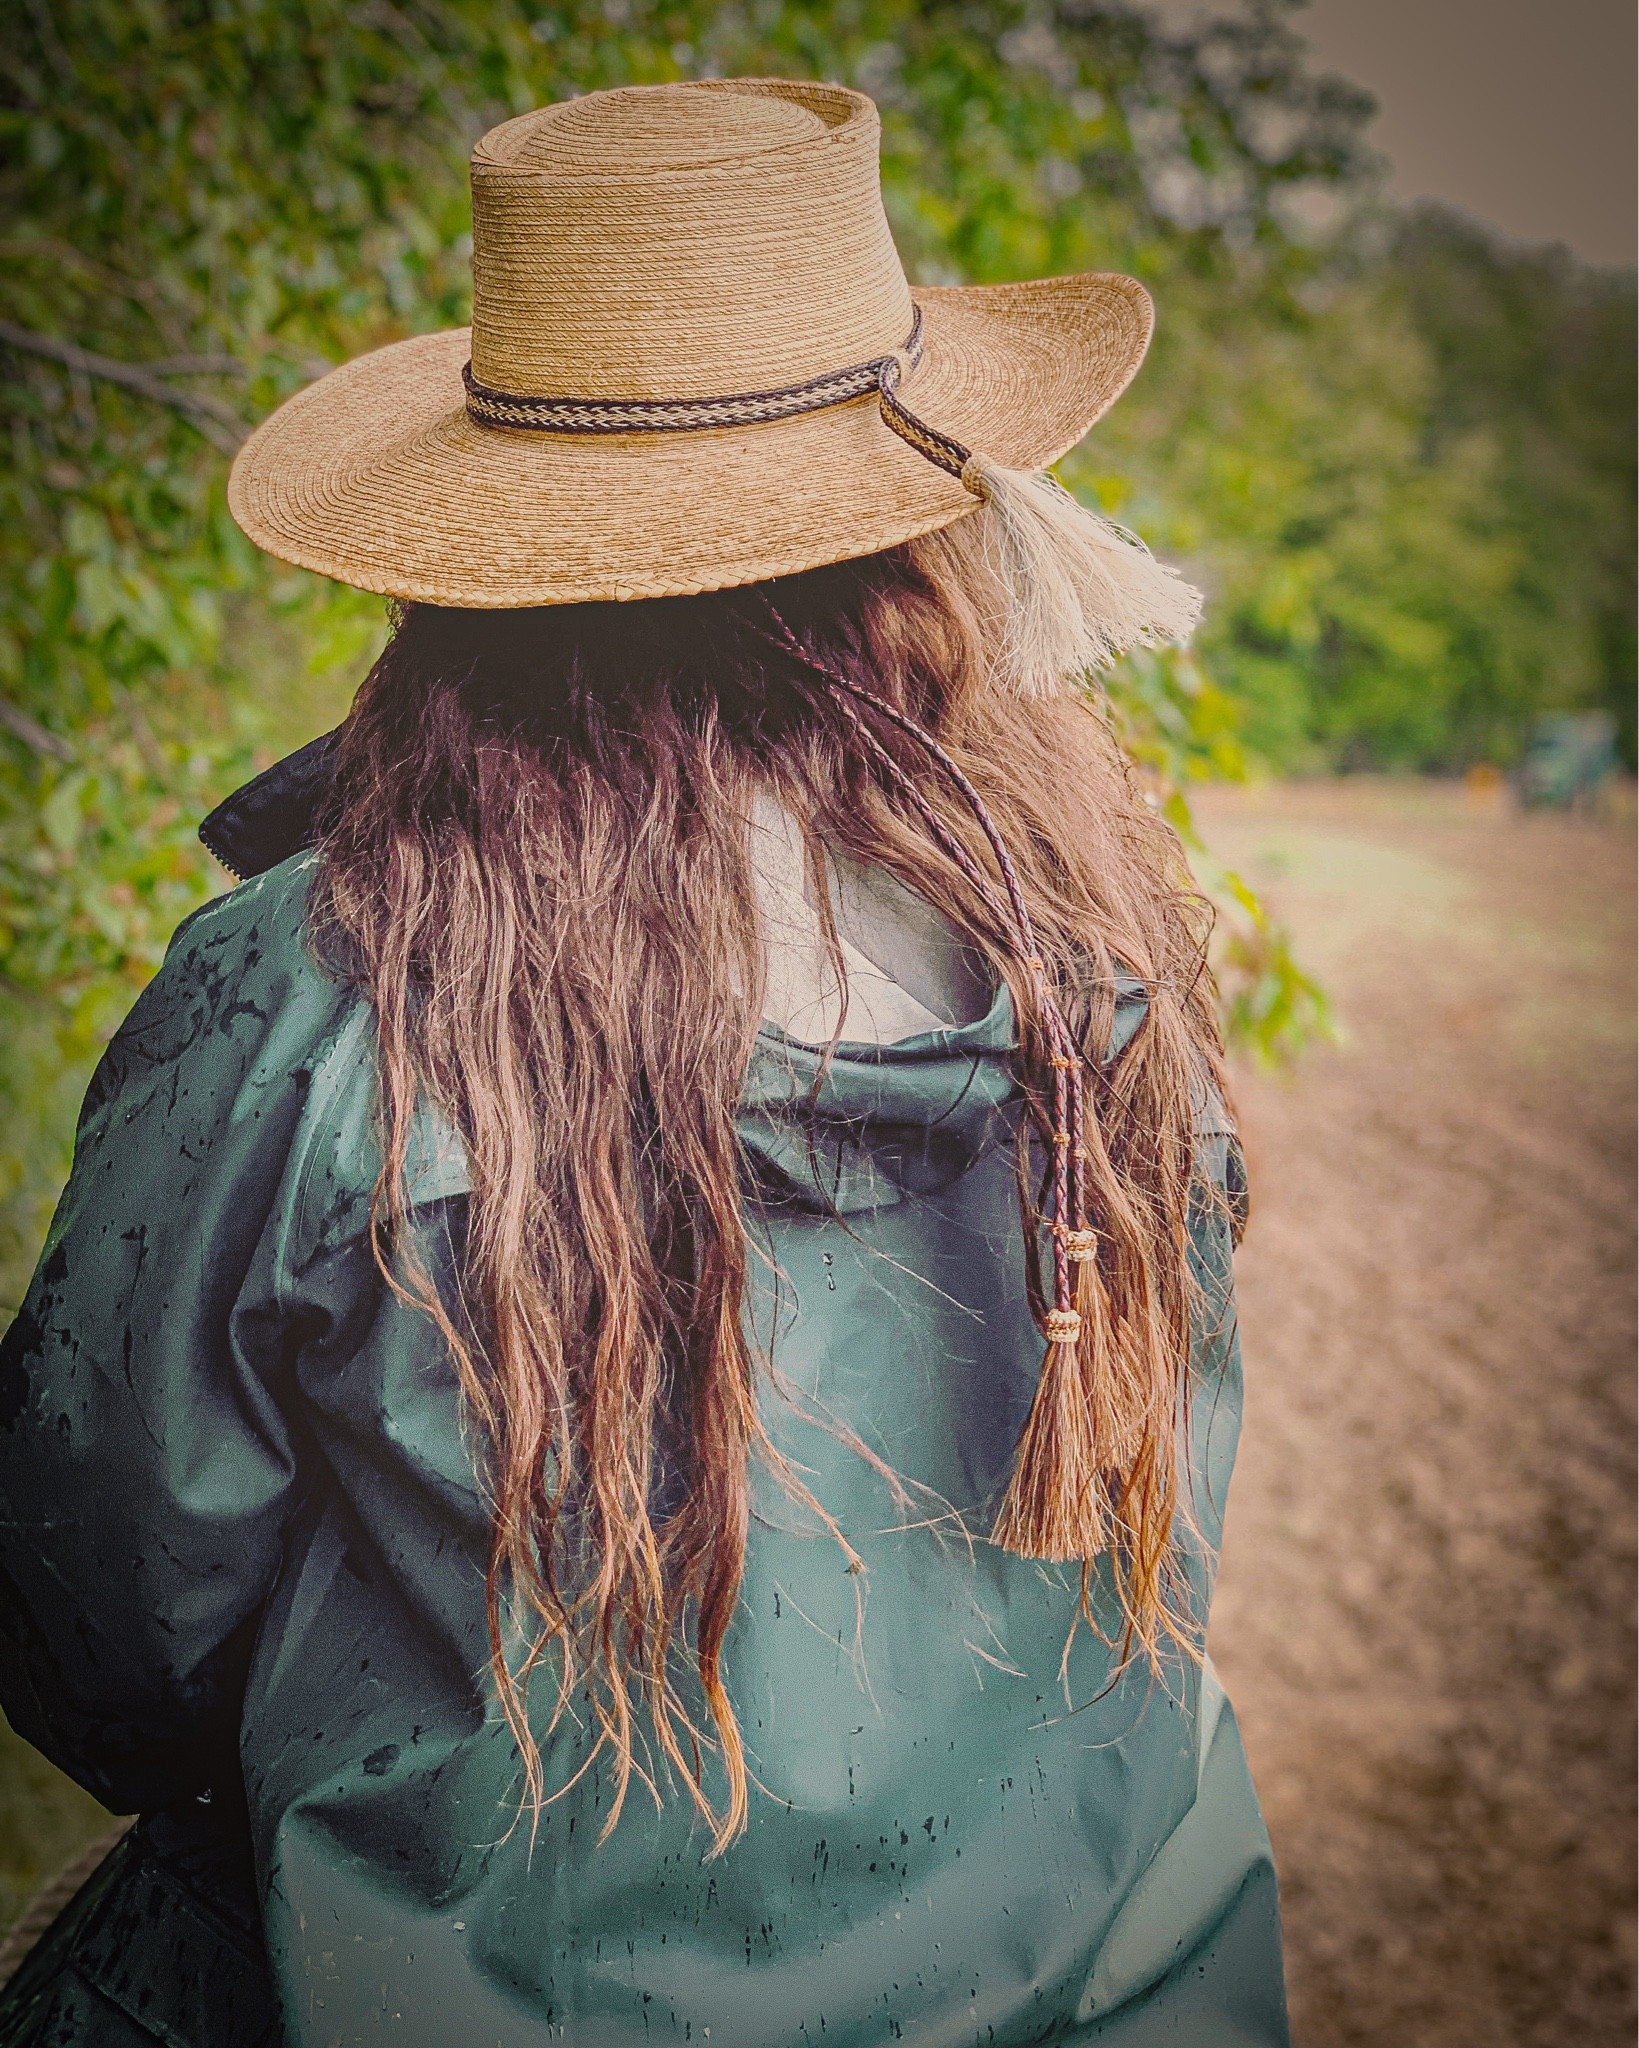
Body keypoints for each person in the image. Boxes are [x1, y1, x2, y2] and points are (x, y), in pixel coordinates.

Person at [0, 78, 1288, 2048]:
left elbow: (92, 1630)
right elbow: (1142, 1554)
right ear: (921, 542)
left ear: (481, 562)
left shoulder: (304, 999)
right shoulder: (1102, 965)